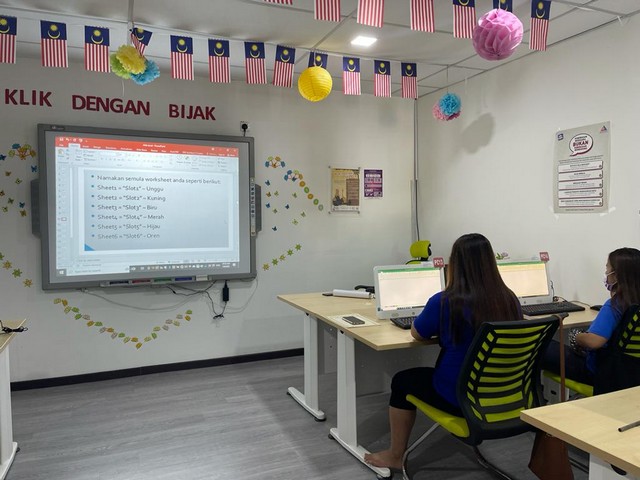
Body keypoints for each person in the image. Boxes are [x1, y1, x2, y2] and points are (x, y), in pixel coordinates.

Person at [364, 233, 522, 470]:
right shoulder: (509, 299)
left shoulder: (445, 301)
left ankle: (395, 455)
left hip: (460, 397)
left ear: (455, 264)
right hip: (504, 394)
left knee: (402, 380)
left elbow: (417, 333)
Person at [541, 247, 640, 387]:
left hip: (600, 373)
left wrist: (576, 336)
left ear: (616, 276)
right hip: (631, 375)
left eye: (607, 269)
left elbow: (594, 342)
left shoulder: (615, 305)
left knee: (541, 346)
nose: (606, 274)